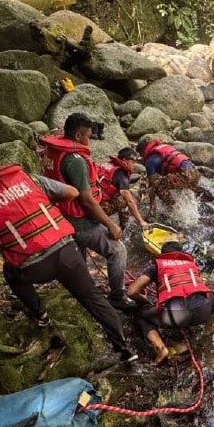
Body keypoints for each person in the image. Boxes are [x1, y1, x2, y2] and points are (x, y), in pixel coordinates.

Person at [0, 154, 133, 359]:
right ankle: (125, 350)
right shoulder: (31, 180)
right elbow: (72, 192)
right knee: (93, 298)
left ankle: (41, 316)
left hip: (33, 268)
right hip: (67, 254)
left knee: (9, 272)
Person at [39, 113, 139, 309]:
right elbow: (86, 201)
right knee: (118, 250)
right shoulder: (75, 161)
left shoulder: (54, 150)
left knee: (79, 254)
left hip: (60, 216)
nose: (89, 141)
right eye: (88, 136)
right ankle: (117, 297)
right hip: (78, 221)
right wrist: (110, 224)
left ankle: (81, 287)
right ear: (78, 136)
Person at [126, 241, 214, 363]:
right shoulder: (191, 264)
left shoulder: (156, 267)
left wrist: (146, 302)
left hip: (174, 316)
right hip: (202, 311)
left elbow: (131, 292)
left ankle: (160, 347)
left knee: (139, 314)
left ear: (163, 254)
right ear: (181, 253)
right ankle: (210, 326)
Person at [135, 137, 200, 210]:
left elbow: (153, 186)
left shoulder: (150, 161)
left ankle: (173, 209)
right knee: (178, 187)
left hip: (184, 175)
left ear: (143, 152)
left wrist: (152, 207)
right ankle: (191, 210)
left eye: (141, 155)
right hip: (195, 172)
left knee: (159, 187)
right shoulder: (164, 147)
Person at [98, 147, 148, 231]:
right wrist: (141, 221)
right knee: (127, 200)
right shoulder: (121, 175)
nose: (134, 165)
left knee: (123, 196)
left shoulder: (109, 165)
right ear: (124, 160)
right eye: (132, 162)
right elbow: (129, 201)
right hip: (97, 207)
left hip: (92, 198)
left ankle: (121, 224)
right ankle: (123, 227)